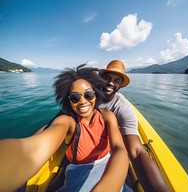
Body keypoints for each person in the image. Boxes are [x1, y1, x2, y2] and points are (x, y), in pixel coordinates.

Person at [0, 65, 130, 192]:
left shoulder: (107, 116)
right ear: (69, 100)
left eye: (88, 95)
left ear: (96, 94)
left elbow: (119, 149)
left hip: (108, 165)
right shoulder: (68, 122)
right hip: (79, 173)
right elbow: (33, 149)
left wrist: (107, 187)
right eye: (75, 97)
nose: (83, 101)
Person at [98, 60, 170, 192]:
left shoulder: (122, 108)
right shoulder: (86, 96)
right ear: (100, 78)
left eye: (116, 80)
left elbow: (136, 151)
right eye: (107, 77)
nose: (110, 83)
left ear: (120, 85)